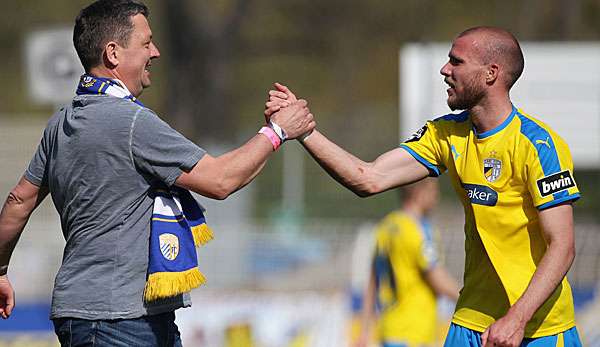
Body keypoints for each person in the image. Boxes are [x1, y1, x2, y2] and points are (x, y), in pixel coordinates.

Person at [0, 0, 314, 346]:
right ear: (113, 53)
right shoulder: (132, 122)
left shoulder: (60, 123)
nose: (157, 52)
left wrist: (0, 270)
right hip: (120, 320)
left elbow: (18, 200)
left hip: (99, 313)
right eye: (146, 42)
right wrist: (277, 132)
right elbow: (221, 181)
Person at [266, 26, 582, 347]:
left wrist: (517, 318)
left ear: (491, 73)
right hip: (469, 321)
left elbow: (562, 246)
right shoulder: (445, 134)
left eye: (456, 62)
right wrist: (302, 130)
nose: (445, 70)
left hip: (538, 328)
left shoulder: (539, 145)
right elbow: (368, 177)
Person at [356, 178, 460, 347]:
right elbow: (437, 278)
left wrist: (364, 330)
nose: (437, 197)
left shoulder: (386, 227)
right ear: (419, 193)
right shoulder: (418, 229)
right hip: (413, 332)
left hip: (389, 329)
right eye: (433, 191)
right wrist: (468, 300)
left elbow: (372, 283)